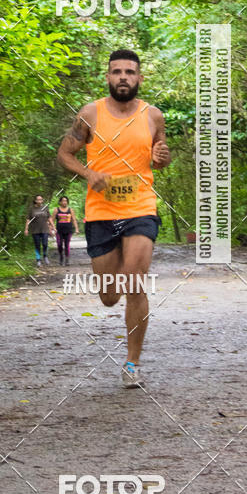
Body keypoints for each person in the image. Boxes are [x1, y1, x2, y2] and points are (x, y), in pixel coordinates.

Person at [57, 49, 171, 388]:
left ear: (139, 78)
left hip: (140, 205)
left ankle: (132, 364)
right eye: (117, 72)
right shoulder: (90, 113)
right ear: (107, 77)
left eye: (130, 72)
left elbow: (160, 157)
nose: (123, 77)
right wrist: (88, 172)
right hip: (101, 211)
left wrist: (162, 157)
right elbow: (65, 154)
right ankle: (113, 282)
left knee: (135, 279)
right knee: (110, 295)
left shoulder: (154, 116)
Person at [24, 194, 54, 267]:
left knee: (45, 243)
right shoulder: (31, 209)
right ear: (35, 200)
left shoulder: (45, 207)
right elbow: (28, 219)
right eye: (38, 199)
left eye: (41, 199)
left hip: (45, 229)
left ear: (42, 200)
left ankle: (45, 256)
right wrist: (26, 229)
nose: (39, 201)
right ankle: (38, 259)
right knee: (37, 245)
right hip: (35, 230)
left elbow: (49, 218)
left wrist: (53, 227)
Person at [51, 195, 79, 266]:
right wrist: (51, 228)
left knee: (67, 245)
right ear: (60, 202)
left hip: (68, 230)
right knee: (59, 244)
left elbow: (74, 220)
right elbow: (52, 220)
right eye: (63, 201)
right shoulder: (56, 210)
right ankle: (61, 256)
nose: (64, 202)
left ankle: (67, 259)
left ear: (67, 202)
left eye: (66, 201)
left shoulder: (70, 210)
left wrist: (76, 228)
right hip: (59, 231)